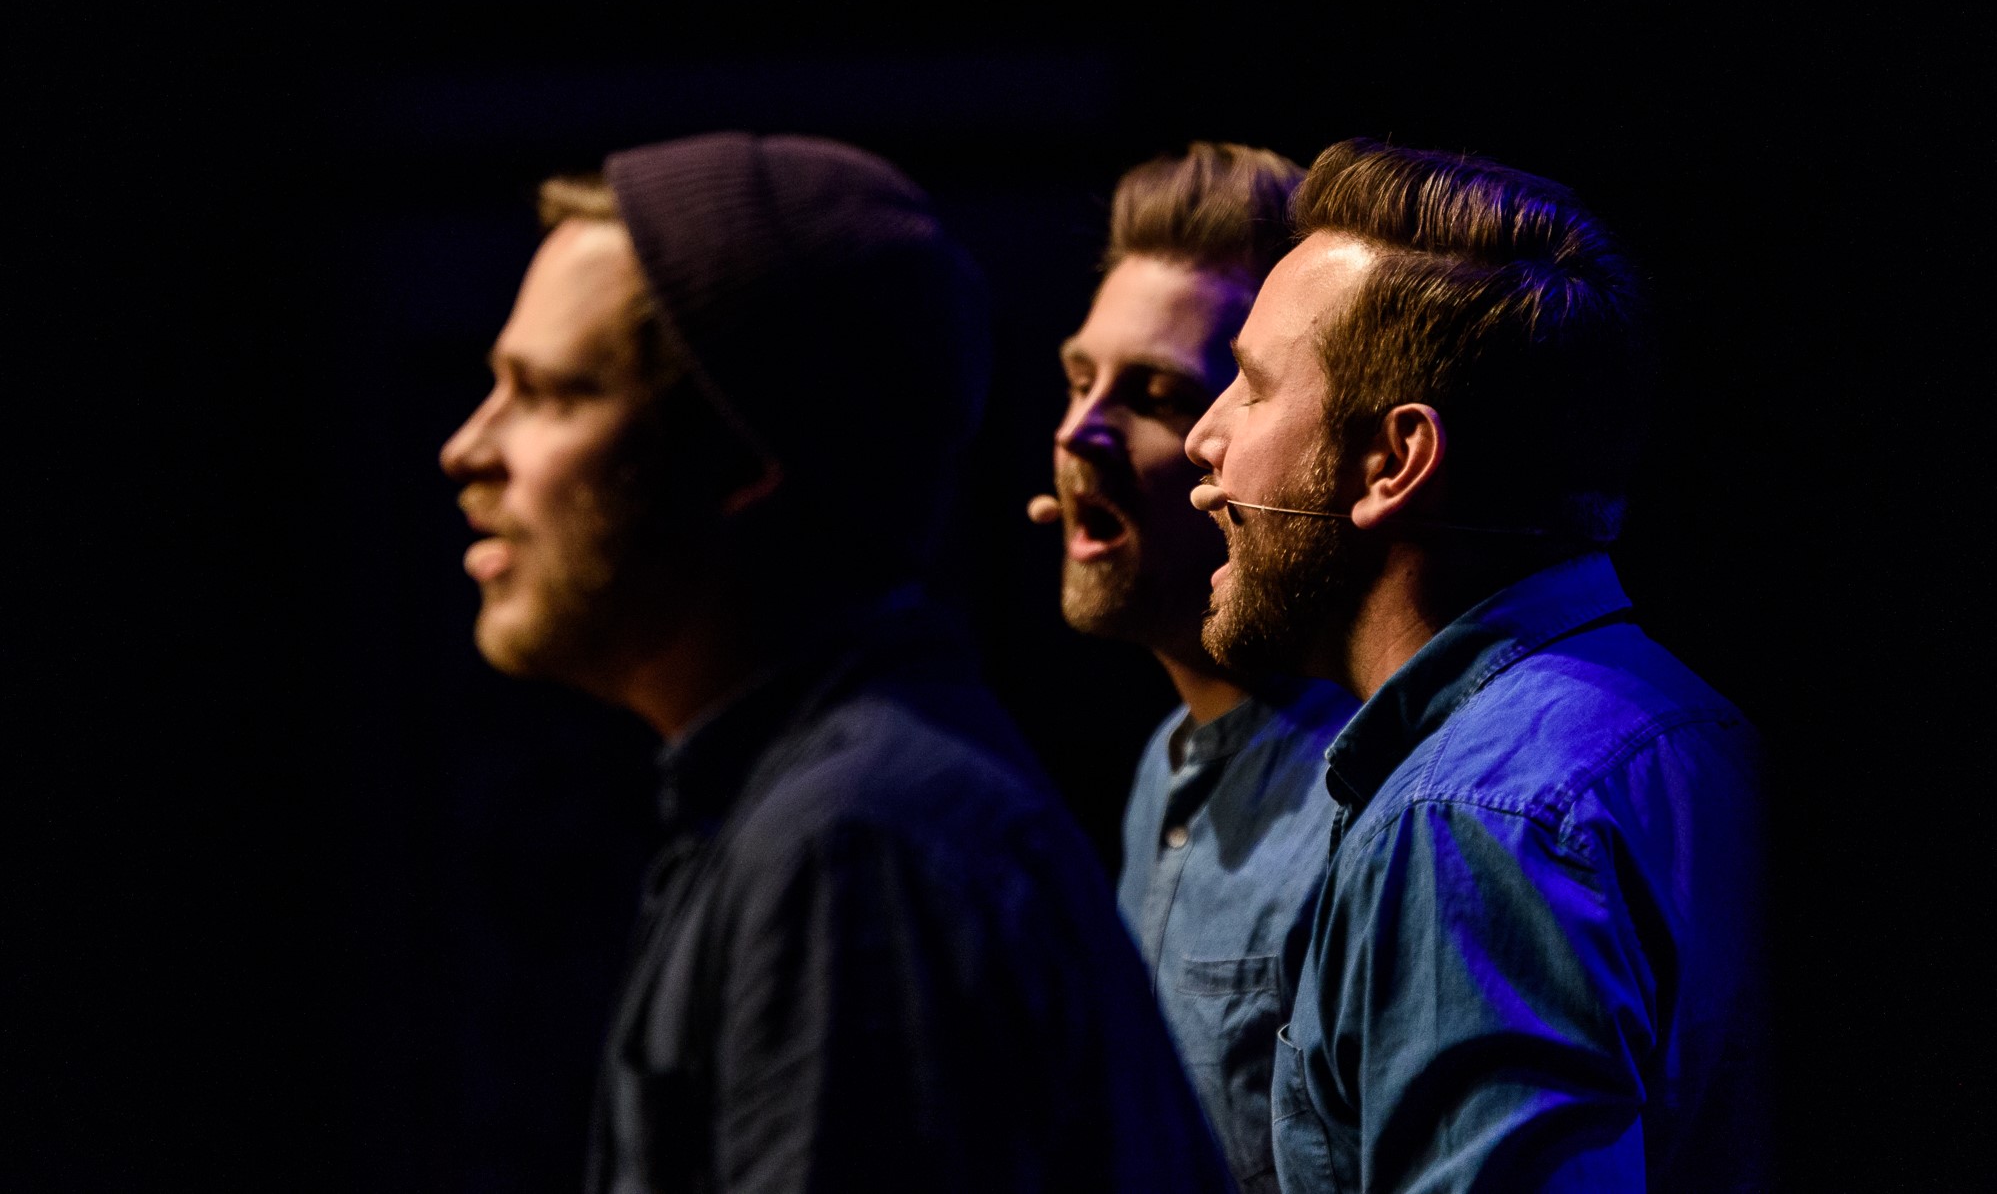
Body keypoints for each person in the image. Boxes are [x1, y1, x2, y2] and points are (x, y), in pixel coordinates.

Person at [439, 131, 1229, 1194]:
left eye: (547, 393)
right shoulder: (817, 815)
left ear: (736, 460)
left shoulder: (856, 849)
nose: (469, 448)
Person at [1184, 140, 1766, 1192]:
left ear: (1394, 461)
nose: (1202, 436)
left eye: (1253, 386)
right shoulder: (1695, 731)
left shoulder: (1470, 821)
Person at [1031, 142, 1358, 1193]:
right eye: (1078, 380)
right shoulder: (1159, 772)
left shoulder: (1367, 805)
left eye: (1155, 392)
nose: (1079, 431)